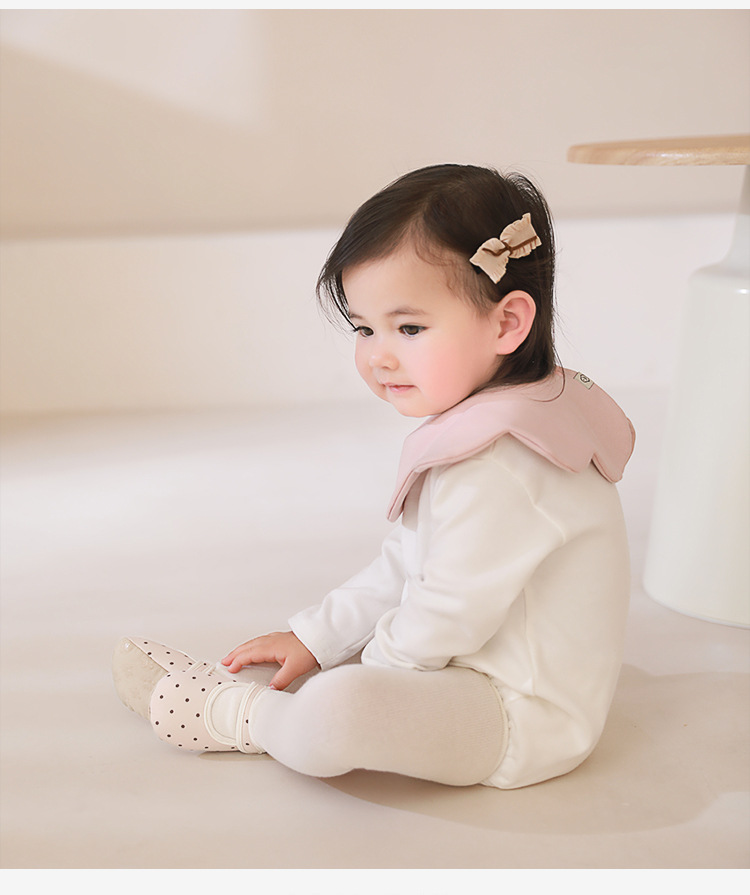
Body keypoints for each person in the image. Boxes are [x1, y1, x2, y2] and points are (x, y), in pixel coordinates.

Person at [113, 164, 634, 789]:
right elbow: (409, 561)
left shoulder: (502, 464)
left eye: (409, 328)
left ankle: (242, 715)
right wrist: (318, 637)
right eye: (364, 328)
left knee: (342, 710)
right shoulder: (512, 417)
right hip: (473, 669)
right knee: (355, 670)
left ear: (506, 323)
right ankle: (310, 688)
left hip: (519, 719)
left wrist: (365, 678)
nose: (377, 355)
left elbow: (446, 613)